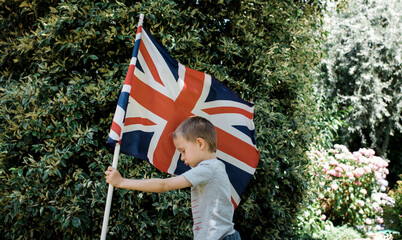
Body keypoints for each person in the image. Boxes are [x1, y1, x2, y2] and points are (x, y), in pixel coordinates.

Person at [105, 116, 241, 240]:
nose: (182, 158)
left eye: (183, 151)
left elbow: (164, 185)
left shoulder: (209, 168)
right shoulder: (213, 168)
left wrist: (122, 182)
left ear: (200, 143)